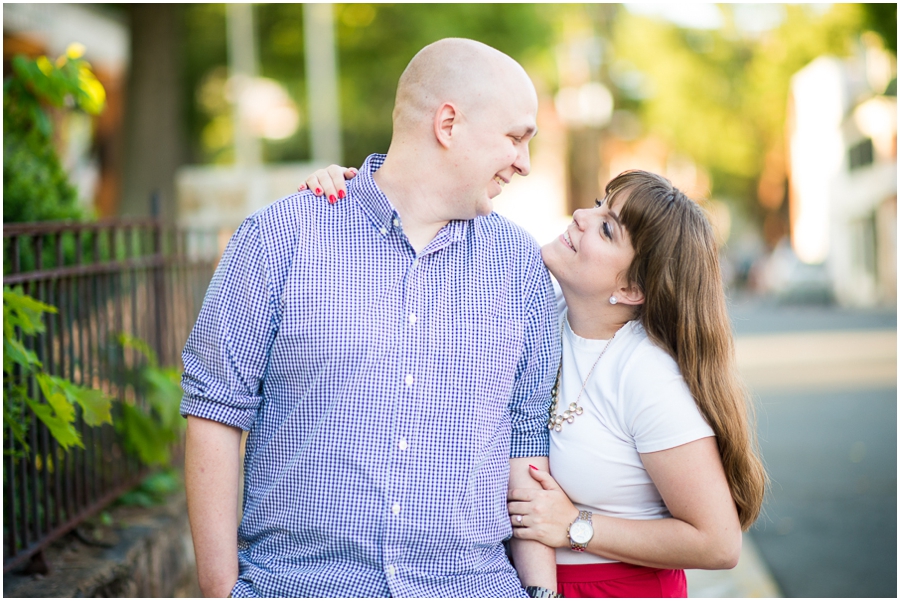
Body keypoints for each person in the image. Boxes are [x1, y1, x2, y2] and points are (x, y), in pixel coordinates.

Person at [181, 38, 562, 598]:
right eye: (515, 138)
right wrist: (221, 592)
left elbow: (524, 442)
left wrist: (542, 593)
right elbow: (213, 411)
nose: (524, 163)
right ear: (448, 124)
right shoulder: (280, 238)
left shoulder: (520, 267)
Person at [303, 168, 767, 597]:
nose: (582, 216)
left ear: (630, 290)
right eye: (597, 204)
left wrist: (574, 526)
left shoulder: (647, 375)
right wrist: (354, 194)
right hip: (519, 581)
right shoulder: (535, 320)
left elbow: (718, 543)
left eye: (607, 228)